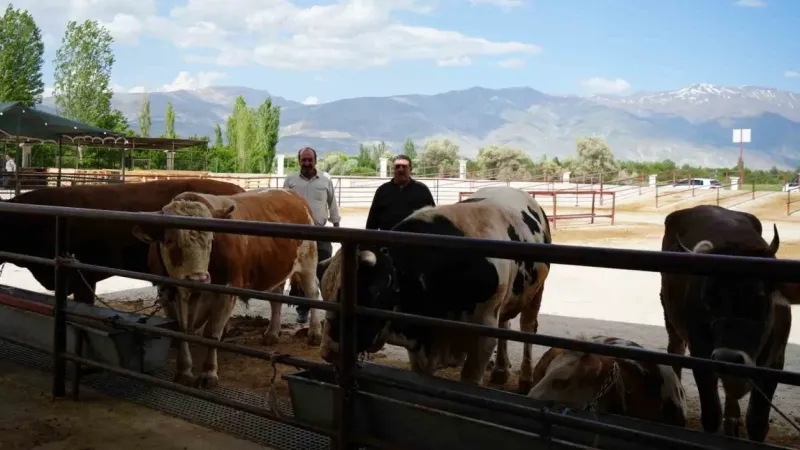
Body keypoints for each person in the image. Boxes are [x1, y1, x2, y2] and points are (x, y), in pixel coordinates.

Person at [283, 147, 340, 324]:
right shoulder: (290, 180)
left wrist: (336, 226)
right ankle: (303, 310)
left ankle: (330, 311)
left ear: (315, 160)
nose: (307, 163)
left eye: (310, 160)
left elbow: (332, 203)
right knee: (300, 273)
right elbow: (282, 203)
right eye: (304, 160)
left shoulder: (325, 180)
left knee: (324, 271)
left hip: (320, 232)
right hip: (297, 235)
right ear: (299, 160)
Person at [365, 154, 435, 231]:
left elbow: (433, 218)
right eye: (397, 166)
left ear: (410, 170)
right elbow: (372, 221)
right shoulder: (382, 190)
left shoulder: (422, 190)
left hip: (414, 237)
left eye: (404, 167)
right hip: (388, 237)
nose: (400, 170)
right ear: (393, 170)